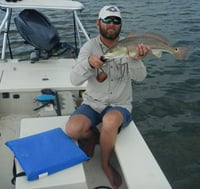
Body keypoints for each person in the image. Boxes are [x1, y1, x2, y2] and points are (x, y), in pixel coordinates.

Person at [66, 5, 151, 189]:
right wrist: (89, 63)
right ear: (98, 23)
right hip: (92, 103)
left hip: (119, 104)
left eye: (116, 20)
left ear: (120, 25)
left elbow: (141, 77)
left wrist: (135, 60)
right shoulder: (90, 47)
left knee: (110, 121)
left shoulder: (130, 45)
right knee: (72, 129)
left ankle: (105, 163)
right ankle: (93, 137)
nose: (111, 24)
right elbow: (73, 79)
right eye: (107, 20)